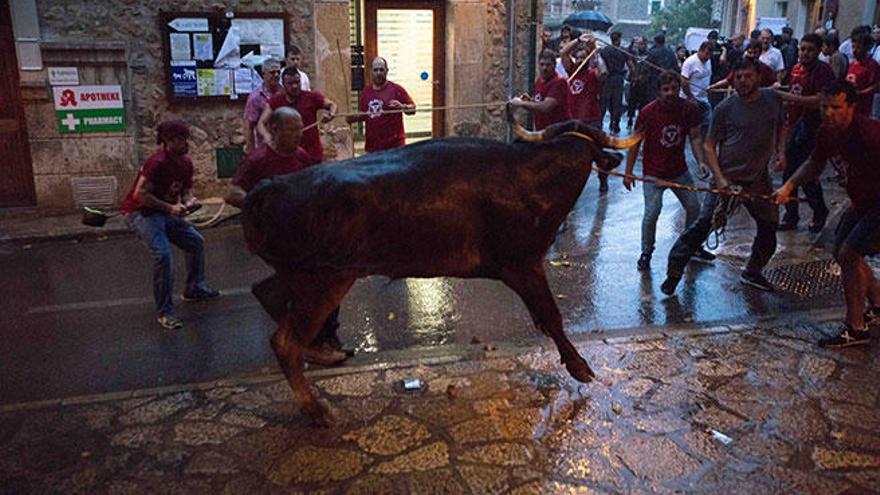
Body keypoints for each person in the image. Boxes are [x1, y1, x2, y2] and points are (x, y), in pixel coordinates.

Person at [226, 108, 349, 365]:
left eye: (300, 128)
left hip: (299, 232)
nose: (299, 134)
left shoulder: (301, 156)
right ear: (274, 129)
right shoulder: (258, 160)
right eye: (292, 129)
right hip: (272, 235)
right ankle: (311, 344)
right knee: (311, 284)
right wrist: (263, 206)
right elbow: (232, 192)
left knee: (332, 275)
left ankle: (326, 339)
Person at [661, 58, 785, 295]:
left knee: (769, 228)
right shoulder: (724, 109)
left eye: (748, 76)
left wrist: (781, 152)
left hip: (758, 180)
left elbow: (781, 125)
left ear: (758, 77)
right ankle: (674, 272)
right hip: (727, 179)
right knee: (702, 226)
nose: (743, 81)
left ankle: (753, 271)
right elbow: (709, 146)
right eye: (738, 77)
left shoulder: (773, 100)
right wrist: (720, 179)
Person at [774, 80, 880, 346]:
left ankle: (856, 328)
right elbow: (815, 162)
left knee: (849, 253)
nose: (829, 113)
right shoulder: (826, 132)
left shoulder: (871, 135)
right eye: (824, 107)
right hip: (861, 202)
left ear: (852, 106)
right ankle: (878, 302)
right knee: (839, 251)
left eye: (835, 107)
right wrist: (789, 185)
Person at [121, 120, 220, 330]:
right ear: (168, 141)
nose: (186, 144)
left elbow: (185, 193)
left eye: (186, 139)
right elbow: (140, 195)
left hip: (163, 211)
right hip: (141, 213)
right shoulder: (156, 163)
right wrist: (170, 208)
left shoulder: (185, 163)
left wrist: (189, 202)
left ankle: (194, 288)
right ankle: (164, 312)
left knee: (195, 241)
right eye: (181, 140)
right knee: (163, 255)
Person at [623, 71, 706, 271]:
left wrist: (702, 161)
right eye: (665, 89)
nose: (670, 93)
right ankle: (646, 252)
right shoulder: (648, 112)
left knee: (694, 207)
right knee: (652, 212)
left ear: (679, 89)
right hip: (653, 172)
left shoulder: (689, 109)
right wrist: (628, 172)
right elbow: (634, 143)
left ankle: (690, 246)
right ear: (659, 91)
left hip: (679, 170)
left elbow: (695, 138)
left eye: (674, 89)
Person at [776, 34, 836, 232]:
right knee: (788, 173)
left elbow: (820, 99)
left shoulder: (824, 71)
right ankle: (791, 215)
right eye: (802, 49)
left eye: (810, 49)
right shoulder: (795, 69)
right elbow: (795, 92)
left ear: (818, 51)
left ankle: (819, 212)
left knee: (807, 175)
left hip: (813, 129)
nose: (805, 53)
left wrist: (787, 97)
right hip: (794, 127)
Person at [258, 68, 337, 162]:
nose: (295, 86)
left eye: (297, 82)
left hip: (312, 155)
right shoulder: (276, 101)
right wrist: (268, 137)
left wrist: (331, 114)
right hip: (287, 155)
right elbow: (261, 123)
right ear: (283, 85)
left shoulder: (312, 97)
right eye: (290, 83)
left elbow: (332, 105)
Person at [561, 34, 607, 192]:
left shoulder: (593, 73)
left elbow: (604, 72)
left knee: (599, 153)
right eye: (578, 58)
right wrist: (579, 40)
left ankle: (603, 179)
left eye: (583, 58)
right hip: (574, 120)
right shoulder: (572, 71)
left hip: (592, 119)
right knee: (571, 155)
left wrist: (595, 50)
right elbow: (563, 53)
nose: (580, 61)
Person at [345, 57, 416, 152]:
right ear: (371, 72)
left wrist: (403, 107)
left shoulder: (397, 90)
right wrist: (352, 118)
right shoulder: (366, 92)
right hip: (373, 147)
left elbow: (413, 109)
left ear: (386, 71)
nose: (378, 73)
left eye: (381, 70)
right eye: (376, 70)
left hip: (394, 147)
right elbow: (366, 114)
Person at [509, 50, 570, 130]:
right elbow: (538, 106)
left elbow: (546, 106)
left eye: (548, 65)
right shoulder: (539, 81)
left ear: (554, 65)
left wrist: (522, 103)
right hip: (542, 132)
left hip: (557, 134)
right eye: (542, 64)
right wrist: (529, 101)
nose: (544, 68)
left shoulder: (559, 82)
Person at [243, 59, 282, 154]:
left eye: (278, 72)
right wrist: (251, 150)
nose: (276, 75)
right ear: (264, 74)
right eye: (272, 72)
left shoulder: (285, 93)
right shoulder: (255, 98)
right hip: (264, 148)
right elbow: (249, 126)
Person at [707, 41, 778, 92]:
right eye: (750, 52)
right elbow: (728, 80)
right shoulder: (739, 66)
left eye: (755, 53)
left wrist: (776, 85)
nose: (752, 55)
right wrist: (712, 86)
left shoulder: (764, 67)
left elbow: (775, 82)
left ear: (760, 53)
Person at [599, 32, 630, 134]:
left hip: (607, 79)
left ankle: (600, 123)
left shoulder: (604, 51)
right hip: (618, 79)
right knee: (617, 102)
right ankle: (615, 123)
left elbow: (600, 65)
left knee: (604, 101)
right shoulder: (623, 51)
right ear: (619, 39)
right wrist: (634, 76)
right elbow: (630, 65)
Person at [680, 41, 713, 134]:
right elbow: (684, 82)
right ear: (700, 51)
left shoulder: (708, 61)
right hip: (690, 98)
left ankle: (701, 142)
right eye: (706, 54)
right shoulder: (690, 62)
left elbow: (707, 76)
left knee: (707, 124)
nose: (708, 57)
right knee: (689, 126)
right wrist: (690, 97)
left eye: (710, 54)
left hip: (704, 98)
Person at [845, 30, 880, 116]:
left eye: (858, 47)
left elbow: (876, 86)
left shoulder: (872, 65)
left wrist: (860, 93)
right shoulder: (852, 64)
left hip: (862, 110)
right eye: (853, 47)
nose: (854, 50)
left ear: (866, 48)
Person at [644, 34, 679, 100]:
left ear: (655, 41)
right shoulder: (671, 52)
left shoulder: (653, 52)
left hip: (655, 83)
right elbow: (676, 67)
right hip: (669, 81)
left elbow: (647, 68)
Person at [626, 37, 650, 129]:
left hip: (644, 82)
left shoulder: (649, 54)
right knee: (632, 101)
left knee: (643, 103)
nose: (641, 46)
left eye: (643, 44)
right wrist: (631, 43)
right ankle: (630, 120)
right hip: (634, 81)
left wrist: (644, 77)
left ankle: (641, 119)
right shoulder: (634, 53)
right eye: (640, 44)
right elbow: (627, 53)